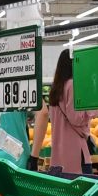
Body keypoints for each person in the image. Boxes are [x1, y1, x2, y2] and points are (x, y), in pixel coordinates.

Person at [32, 49, 92, 177]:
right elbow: (76, 119)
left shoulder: (56, 88)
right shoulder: (73, 85)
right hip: (75, 151)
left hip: (59, 150)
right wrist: (91, 112)